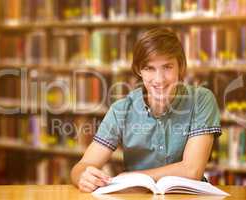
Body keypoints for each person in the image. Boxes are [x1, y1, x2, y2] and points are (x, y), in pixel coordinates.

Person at [71, 27, 221, 193]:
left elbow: (192, 170)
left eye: (167, 67)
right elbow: (82, 166)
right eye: (150, 68)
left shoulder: (201, 99)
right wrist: (83, 177)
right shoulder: (121, 110)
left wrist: (131, 177)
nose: (159, 79)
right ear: (138, 70)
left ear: (181, 66)